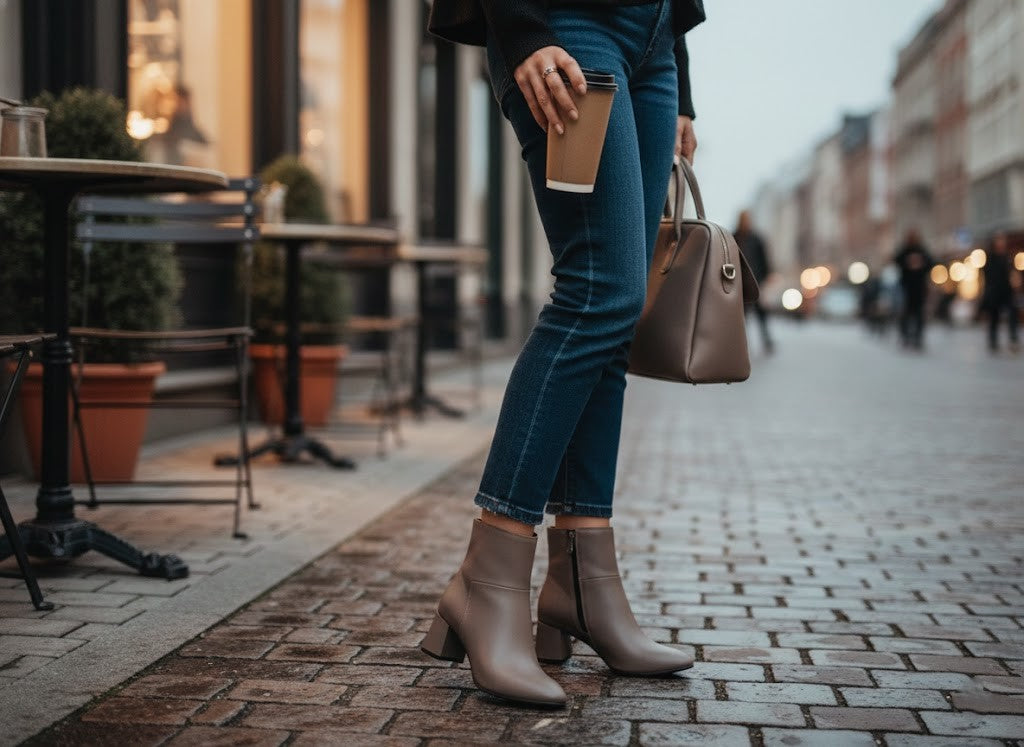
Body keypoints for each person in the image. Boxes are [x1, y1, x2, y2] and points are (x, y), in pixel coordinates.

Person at [422, 0, 704, 706]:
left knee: (619, 308)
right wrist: (520, 28)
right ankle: (486, 580)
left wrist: (682, 81)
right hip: (567, 21)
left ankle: (582, 582)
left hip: (655, 41)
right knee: (596, 289)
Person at [734, 210, 774, 353]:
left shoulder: (756, 238)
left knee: (761, 313)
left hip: (756, 281)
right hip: (740, 283)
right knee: (741, 316)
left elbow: (764, 260)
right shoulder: (734, 236)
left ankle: (767, 340)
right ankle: (740, 344)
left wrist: (767, 277)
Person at [892, 229, 934, 350]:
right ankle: (905, 337)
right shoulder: (904, 250)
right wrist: (907, 263)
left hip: (919, 288)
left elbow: (931, 262)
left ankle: (918, 338)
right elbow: (896, 261)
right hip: (906, 288)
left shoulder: (922, 250)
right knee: (905, 314)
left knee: (919, 315)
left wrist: (921, 263)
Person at [982, 232, 1020, 353]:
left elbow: (1013, 273)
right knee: (994, 317)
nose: (1001, 242)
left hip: (1007, 291)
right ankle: (993, 341)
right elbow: (987, 276)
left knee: (1013, 313)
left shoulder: (1007, 257)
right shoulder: (990, 258)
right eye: (999, 240)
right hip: (994, 292)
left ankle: (1013, 339)